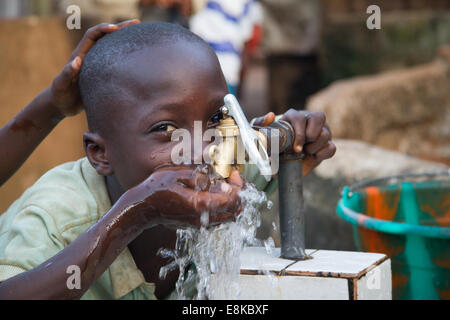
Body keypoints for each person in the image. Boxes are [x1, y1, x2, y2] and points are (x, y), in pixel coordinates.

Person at [0, 22, 335, 300]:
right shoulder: (55, 221)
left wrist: (301, 137)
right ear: (100, 154)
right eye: (165, 128)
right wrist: (137, 213)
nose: (204, 147)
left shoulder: (225, 167)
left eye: (218, 118)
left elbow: (290, 151)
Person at [0, 19, 140, 187]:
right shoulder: (53, 210)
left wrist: (55, 103)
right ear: (99, 152)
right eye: (165, 128)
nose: (180, 148)